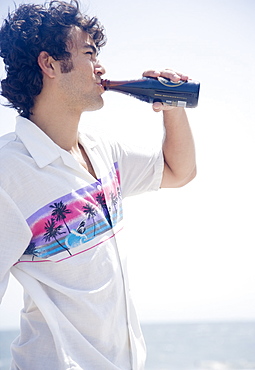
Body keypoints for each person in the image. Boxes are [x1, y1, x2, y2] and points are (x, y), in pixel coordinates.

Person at [0, 1, 196, 369]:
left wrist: (173, 106)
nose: (101, 66)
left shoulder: (103, 149)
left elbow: (178, 171)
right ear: (50, 64)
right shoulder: (8, 174)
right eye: (89, 53)